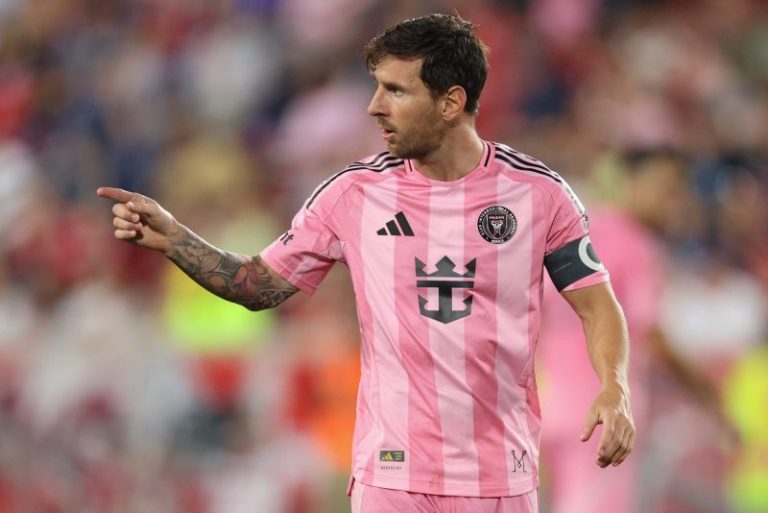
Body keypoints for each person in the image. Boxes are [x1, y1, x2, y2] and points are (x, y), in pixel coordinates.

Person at [98, 14, 634, 513]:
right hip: (391, 477)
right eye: (377, 87)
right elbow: (258, 285)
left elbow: (597, 305)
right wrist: (176, 241)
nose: (375, 106)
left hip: (499, 479)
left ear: (451, 102)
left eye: (396, 90)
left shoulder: (538, 195)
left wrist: (614, 386)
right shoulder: (353, 193)